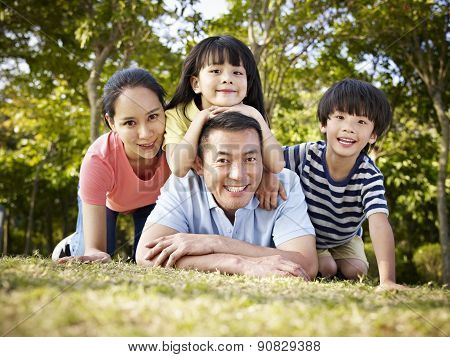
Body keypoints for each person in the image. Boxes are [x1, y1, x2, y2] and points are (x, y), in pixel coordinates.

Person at [136, 112, 317, 279]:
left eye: (250, 159)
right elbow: (146, 255)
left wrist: (217, 244)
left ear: (263, 161)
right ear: (199, 165)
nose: (238, 175)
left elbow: (307, 264)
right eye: (223, 160)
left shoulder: (284, 185)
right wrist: (238, 264)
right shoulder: (183, 186)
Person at [282, 78, 406, 290]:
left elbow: (378, 221)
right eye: (340, 117)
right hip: (307, 235)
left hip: (343, 238)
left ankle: (336, 260)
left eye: (361, 122)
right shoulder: (306, 154)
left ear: (373, 135)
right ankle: (325, 261)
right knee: (327, 267)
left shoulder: (369, 175)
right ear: (324, 123)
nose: (349, 128)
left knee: (356, 270)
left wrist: (387, 280)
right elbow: (267, 159)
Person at [52, 68, 171, 263]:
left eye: (153, 116)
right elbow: (95, 249)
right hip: (108, 202)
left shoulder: (177, 146)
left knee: (150, 256)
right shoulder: (99, 159)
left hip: (153, 202)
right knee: (100, 251)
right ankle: (71, 243)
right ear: (112, 122)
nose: (146, 134)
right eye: (130, 123)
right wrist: (94, 251)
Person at [164, 35, 285, 199]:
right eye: (215, 71)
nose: (227, 79)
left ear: (248, 85)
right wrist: (200, 119)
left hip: (236, 191)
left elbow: (277, 165)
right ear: (196, 84)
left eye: (237, 72)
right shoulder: (178, 114)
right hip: (192, 195)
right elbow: (178, 168)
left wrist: (255, 115)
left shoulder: (250, 113)